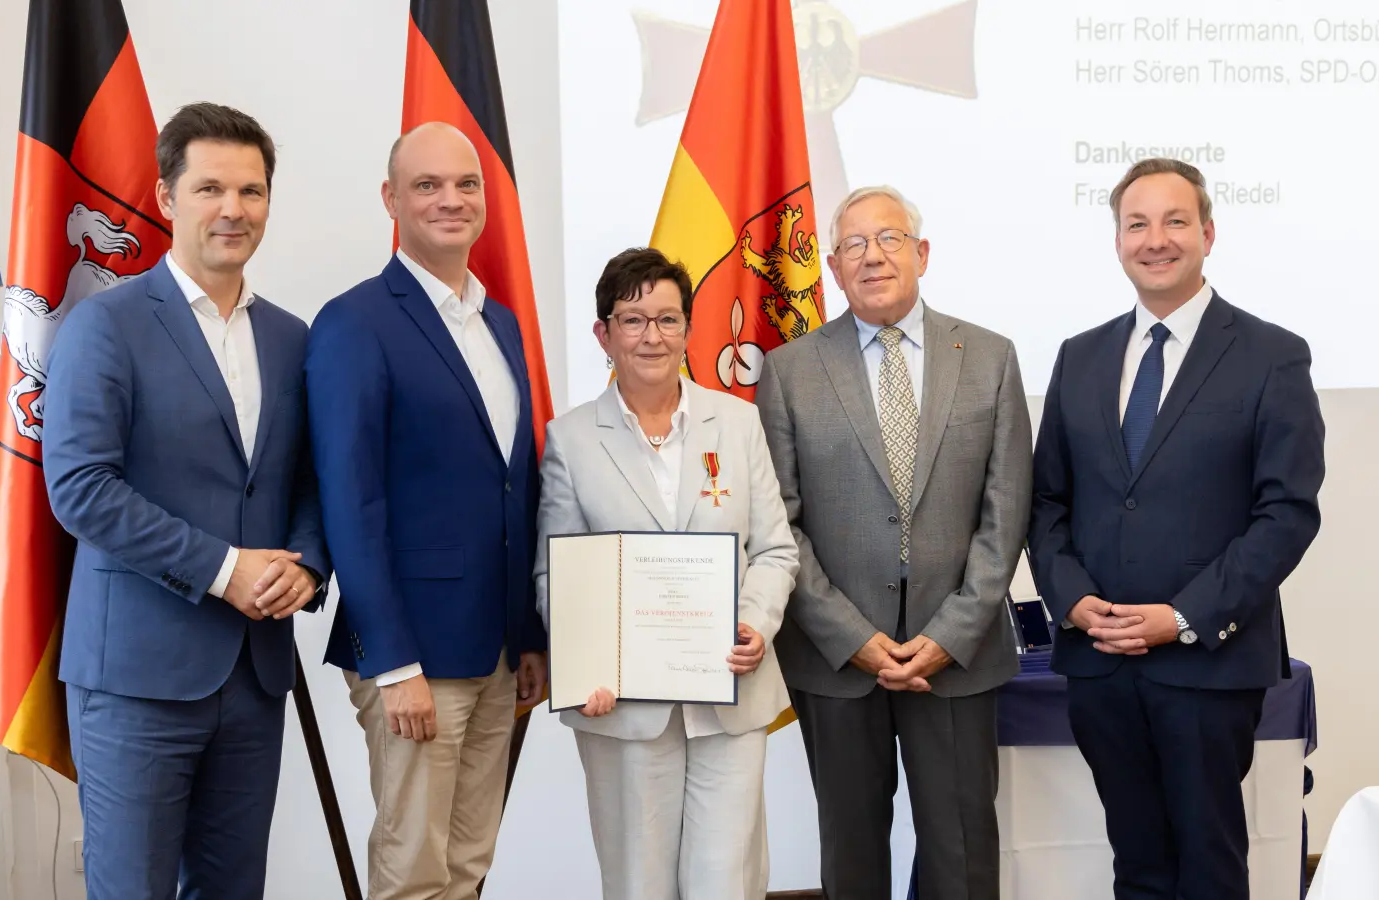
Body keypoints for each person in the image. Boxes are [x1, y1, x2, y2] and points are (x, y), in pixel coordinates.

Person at [41, 102, 329, 899]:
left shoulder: (292, 338)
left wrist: (306, 568)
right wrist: (224, 569)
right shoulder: (105, 326)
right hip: (136, 674)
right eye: (209, 189)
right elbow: (81, 489)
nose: (232, 210)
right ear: (167, 198)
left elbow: (308, 477)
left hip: (255, 674)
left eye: (251, 191)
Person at [1029, 157, 1325, 899]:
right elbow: (1047, 502)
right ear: (1118, 240)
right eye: (1137, 223)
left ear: (1208, 232)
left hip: (1208, 666)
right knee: (1137, 863)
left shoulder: (1271, 355)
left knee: (1209, 861)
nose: (1154, 239)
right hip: (1100, 663)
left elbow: (1287, 512)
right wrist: (1070, 599)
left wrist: (1184, 615)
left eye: (1174, 221)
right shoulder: (1080, 355)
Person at [755, 185, 1031, 900]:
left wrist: (951, 632)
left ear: (922, 253)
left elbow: (1006, 517)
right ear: (834, 268)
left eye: (889, 239)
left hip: (958, 656)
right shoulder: (788, 372)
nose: (872, 255)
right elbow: (780, 524)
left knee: (964, 853)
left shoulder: (991, 358)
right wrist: (854, 638)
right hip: (838, 662)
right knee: (850, 856)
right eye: (853, 245)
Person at [305, 121, 547, 900]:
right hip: (414, 654)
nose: (452, 199)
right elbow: (351, 500)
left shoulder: (499, 322)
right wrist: (393, 660)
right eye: (428, 185)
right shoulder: (355, 322)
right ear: (391, 200)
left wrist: (530, 637)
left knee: (469, 862)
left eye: (467, 184)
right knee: (413, 870)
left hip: (497, 649)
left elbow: (515, 487)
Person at [533, 247, 799, 900]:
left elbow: (774, 550)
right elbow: (556, 574)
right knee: (639, 885)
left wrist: (754, 624)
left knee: (725, 883)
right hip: (621, 705)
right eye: (632, 319)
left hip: (730, 697)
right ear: (604, 334)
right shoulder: (570, 438)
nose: (652, 336)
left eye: (667, 319)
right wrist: (584, 662)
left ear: (688, 328)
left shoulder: (737, 423)